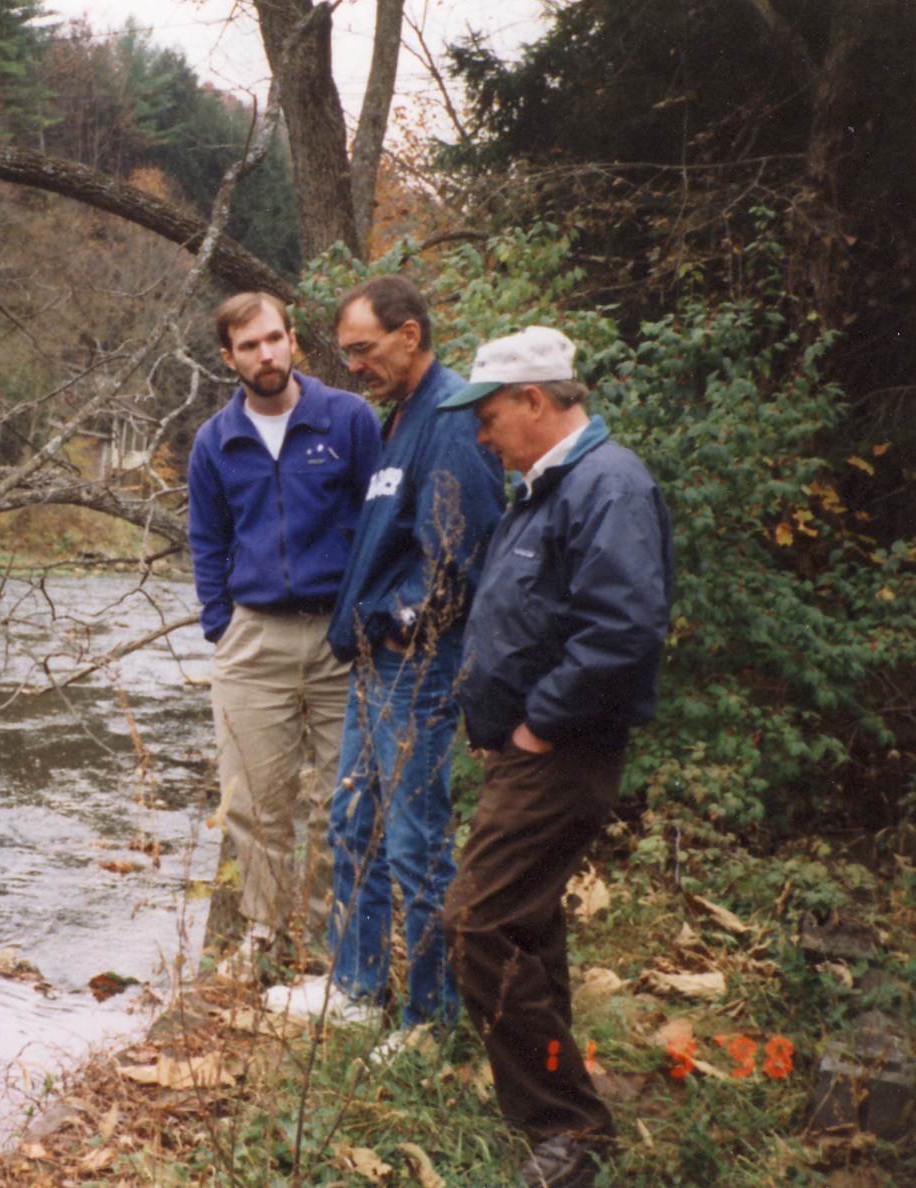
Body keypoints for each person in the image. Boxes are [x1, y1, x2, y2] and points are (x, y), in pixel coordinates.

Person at [436, 325, 673, 1188]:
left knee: (475, 923)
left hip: (558, 755)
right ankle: (560, 1098)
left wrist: (539, 723)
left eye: (489, 416)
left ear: (535, 401)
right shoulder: (544, 491)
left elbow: (625, 629)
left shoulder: (607, 486)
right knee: (526, 924)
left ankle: (567, 1127)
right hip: (523, 754)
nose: (480, 435)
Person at [265, 276, 505, 1044]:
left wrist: (407, 627)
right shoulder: (399, 418)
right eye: (345, 354)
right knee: (352, 823)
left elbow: (464, 550)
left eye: (364, 349)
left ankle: (432, 1022)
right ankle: (361, 991)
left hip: (415, 667)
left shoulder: (453, 416)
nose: (354, 366)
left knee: (414, 843)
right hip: (375, 665)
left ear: (410, 334)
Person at [187, 292, 383, 973]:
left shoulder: (349, 419)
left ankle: (336, 948)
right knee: (253, 803)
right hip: (254, 639)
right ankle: (264, 936)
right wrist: (220, 622)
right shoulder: (216, 440)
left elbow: (381, 518)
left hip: (340, 637)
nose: (265, 354)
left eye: (274, 338)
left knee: (344, 800)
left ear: (293, 339)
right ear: (229, 357)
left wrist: (366, 615)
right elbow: (206, 539)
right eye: (249, 346)